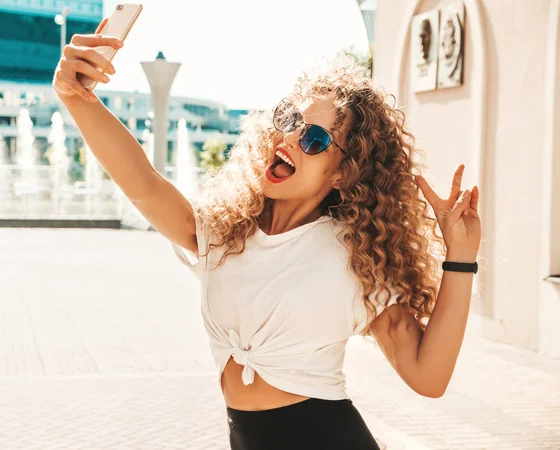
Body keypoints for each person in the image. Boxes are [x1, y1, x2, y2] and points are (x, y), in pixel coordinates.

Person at [53, 29, 481, 450]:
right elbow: (142, 183)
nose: (291, 137)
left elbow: (429, 378)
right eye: (290, 121)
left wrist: (461, 258)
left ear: (344, 172)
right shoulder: (227, 231)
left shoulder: (358, 259)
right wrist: (76, 98)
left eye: (314, 138)